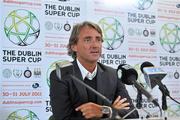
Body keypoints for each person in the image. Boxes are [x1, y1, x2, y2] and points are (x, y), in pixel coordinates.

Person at [50, 21, 139, 120]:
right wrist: (113, 111)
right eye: (88, 40)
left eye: (98, 39)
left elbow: (132, 113)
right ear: (74, 46)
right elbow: (63, 118)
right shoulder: (62, 75)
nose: (95, 45)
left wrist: (105, 111)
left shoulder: (113, 75)